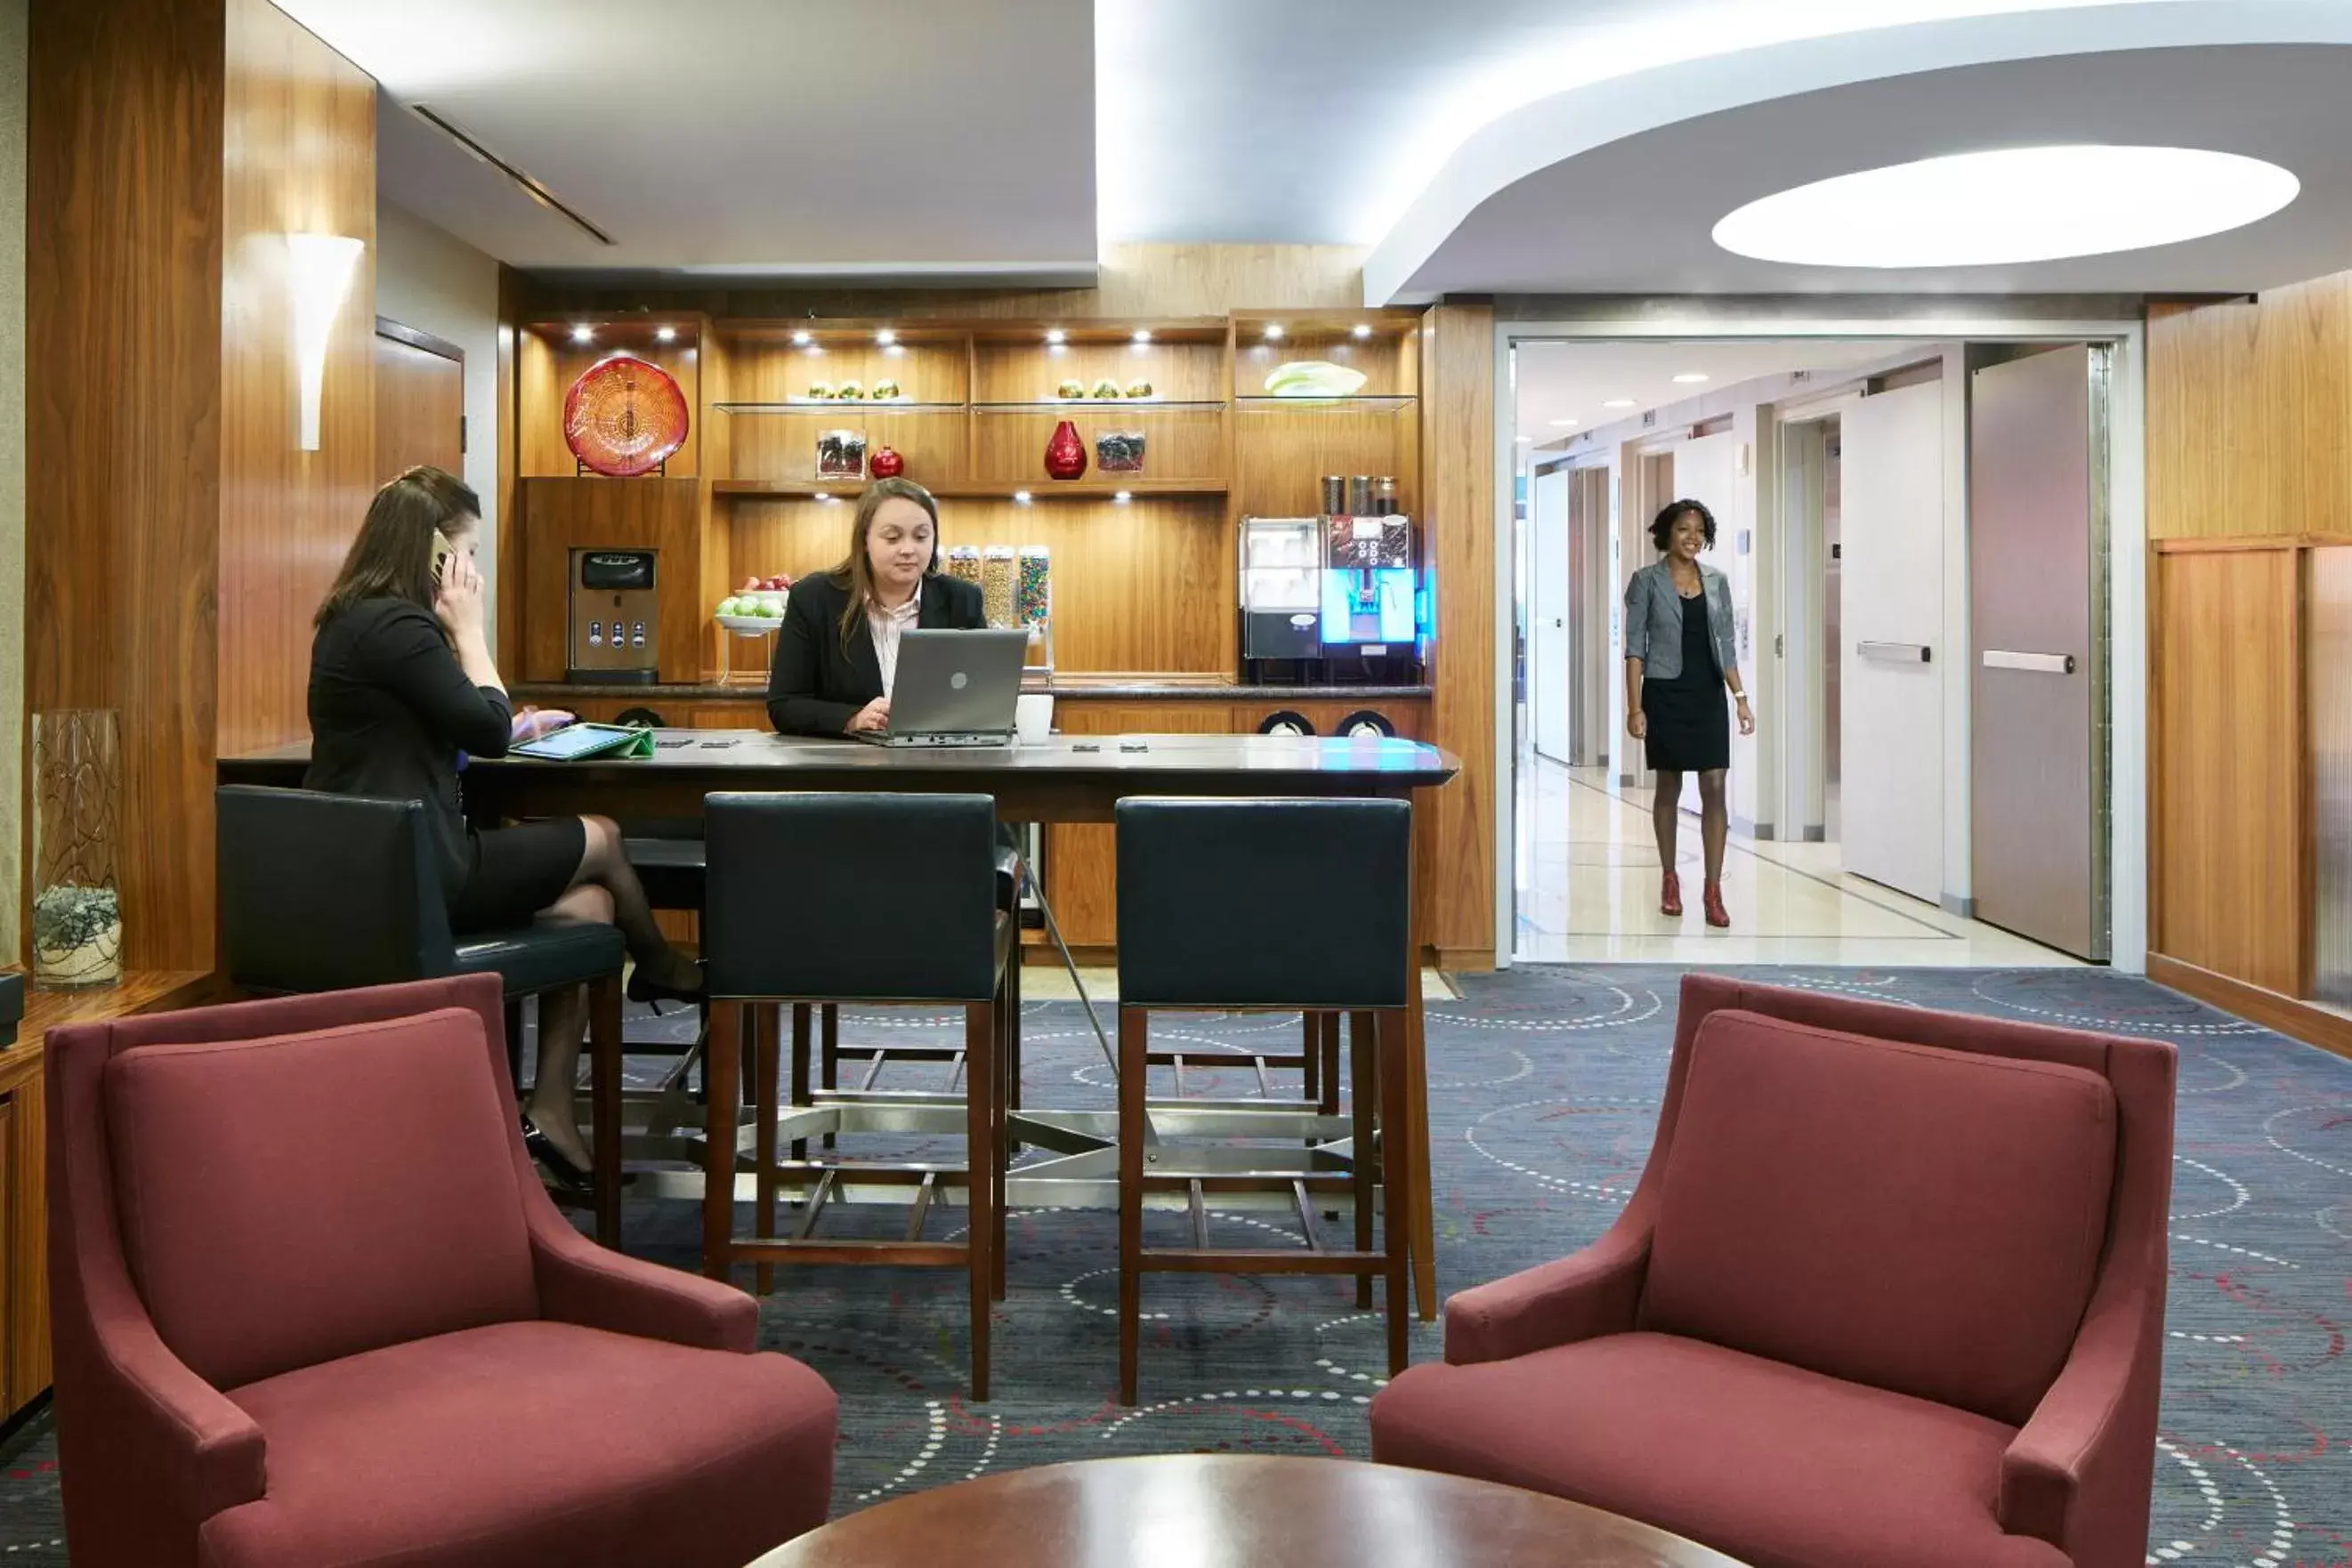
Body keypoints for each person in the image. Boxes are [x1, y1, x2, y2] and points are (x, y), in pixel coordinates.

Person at [305, 465, 703, 1185]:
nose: (473, 568)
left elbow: (441, 729)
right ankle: (661, 964)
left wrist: (514, 724)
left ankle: (550, 1112)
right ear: (434, 554)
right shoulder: (401, 626)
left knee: (590, 904)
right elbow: (483, 727)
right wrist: (470, 630)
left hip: (376, 864)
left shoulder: (356, 618)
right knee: (604, 836)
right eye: (469, 551)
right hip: (416, 872)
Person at [1623, 497, 1756, 929]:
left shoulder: (1717, 582)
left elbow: (1727, 644)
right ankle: (1669, 878)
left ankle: (1713, 889)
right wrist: (1635, 707)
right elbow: (1634, 649)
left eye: (1699, 531)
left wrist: (1740, 697)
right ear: (1667, 533)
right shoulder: (1646, 581)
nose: (1692, 538)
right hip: (1664, 693)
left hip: (1707, 693)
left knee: (1715, 785)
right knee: (1669, 787)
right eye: (1684, 529)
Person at [764, 477, 986, 736]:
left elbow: (986, 698)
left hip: (937, 765)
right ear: (864, 540)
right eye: (892, 538)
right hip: (847, 769)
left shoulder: (963, 599)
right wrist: (853, 719)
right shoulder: (813, 598)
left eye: (921, 536)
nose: (908, 549)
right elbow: (785, 705)